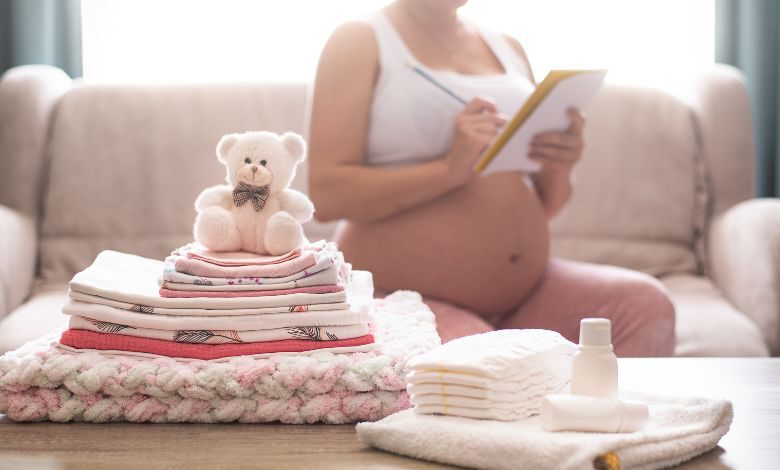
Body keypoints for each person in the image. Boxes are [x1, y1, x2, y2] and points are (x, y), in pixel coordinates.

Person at [307, 0, 675, 356]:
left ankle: (593, 418)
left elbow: (545, 204)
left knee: (644, 308)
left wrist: (559, 162)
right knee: (490, 363)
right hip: (407, 297)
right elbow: (327, 195)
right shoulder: (360, 39)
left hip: (527, 293)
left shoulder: (507, 48)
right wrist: (450, 169)